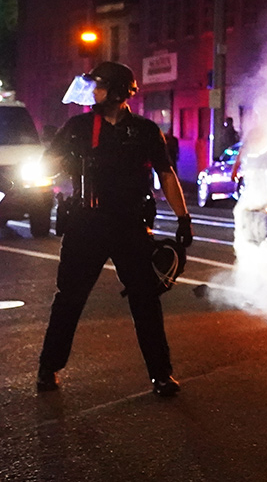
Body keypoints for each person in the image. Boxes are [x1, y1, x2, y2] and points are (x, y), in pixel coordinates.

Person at [36, 61, 194, 397]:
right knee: (69, 299)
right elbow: (47, 167)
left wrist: (184, 218)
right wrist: (54, 163)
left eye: (99, 86)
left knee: (146, 301)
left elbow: (166, 174)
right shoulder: (77, 127)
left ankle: (161, 375)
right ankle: (48, 369)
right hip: (86, 225)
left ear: (118, 92)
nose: (93, 91)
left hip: (129, 225)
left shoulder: (145, 131)